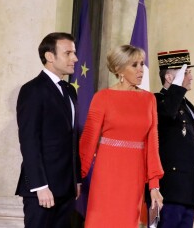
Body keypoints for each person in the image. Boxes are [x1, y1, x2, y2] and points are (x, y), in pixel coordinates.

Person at [79, 44, 164, 228]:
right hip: (106, 175)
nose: (141, 69)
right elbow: (88, 141)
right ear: (119, 69)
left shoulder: (149, 99)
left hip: (134, 176)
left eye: (142, 64)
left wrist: (154, 186)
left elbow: (152, 144)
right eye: (135, 65)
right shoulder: (102, 98)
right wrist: (77, 177)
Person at [15, 32, 82, 228]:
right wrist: (40, 186)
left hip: (67, 187)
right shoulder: (33, 90)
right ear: (50, 56)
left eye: (74, 53)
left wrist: (75, 179)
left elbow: (73, 139)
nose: (75, 58)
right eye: (68, 53)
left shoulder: (70, 90)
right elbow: (29, 141)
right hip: (42, 189)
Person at [155, 49, 194, 228]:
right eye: (185, 72)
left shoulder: (186, 104)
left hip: (188, 191)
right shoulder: (157, 101)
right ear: (169, 78)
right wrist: (177, 88)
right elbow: (167, 114)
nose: (190, 77)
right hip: (169, 191)